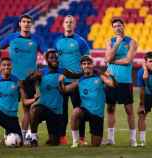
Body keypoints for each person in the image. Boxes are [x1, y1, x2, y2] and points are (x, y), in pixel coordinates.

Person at [0, 14, 46, 144]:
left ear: (31, 24)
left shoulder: (37, 39)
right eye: (24, 21)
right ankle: (7, 136)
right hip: (12, 79)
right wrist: (0, 66)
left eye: (28, 22)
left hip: (28, 80)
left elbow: (48, 54)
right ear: (20, 24)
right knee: (9, 109)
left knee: (28, 110)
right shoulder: (11, 38)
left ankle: (24, 137)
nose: (26, 24)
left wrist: (40, 71)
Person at [66, 55, 117, 148]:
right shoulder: (79, 80)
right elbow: (65, 89)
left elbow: (112, 84)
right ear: (81, 66)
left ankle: (99, 139)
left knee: (95, 144)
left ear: (92, 65)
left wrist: (112, 77)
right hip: (84, 111)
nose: (86, 66)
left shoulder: (100, 77)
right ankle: (75, 141)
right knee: (75, 111)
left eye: (88, 63)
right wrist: (60, 81)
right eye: (84, 64)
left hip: (97, 115)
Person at [54, 15, 90, 144]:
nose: (68, 24)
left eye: (71, 22)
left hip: (77, 82)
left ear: (74, 25)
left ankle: (81, 138)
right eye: (66, 22)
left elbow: (87, 60)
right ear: (63, 24)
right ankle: (62, 136)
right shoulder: (57, 41)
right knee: (62, 111)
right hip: (62, 82)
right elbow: (54, 60)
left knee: (79, 110)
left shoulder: (80, 41)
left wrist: (82, 77)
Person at [28, 49, 75, 147]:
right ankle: (33, 138)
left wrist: (93, 72)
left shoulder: (64, 71)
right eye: (51, 57)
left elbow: (78, 76)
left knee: (54, 142)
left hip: (56, 113)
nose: (54, 59)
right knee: (34, 110)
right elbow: (27, 81)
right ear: (46, 60)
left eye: (56, 57)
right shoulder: (41, 73)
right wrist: (34, 85)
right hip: (44, 108)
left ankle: (51, 136)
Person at [104, 17, 138, 146]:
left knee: (129, 110)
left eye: (119, 25)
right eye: (115, 26)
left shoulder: (131, 42)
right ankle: (111, 139)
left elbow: (127, 60)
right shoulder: (110, 41)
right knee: (110, 108)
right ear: (112, 29)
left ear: (124, 26)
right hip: (110, 80)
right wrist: (117, 43)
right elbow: (108, 57)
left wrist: (112, 61)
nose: (117, 28)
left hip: (125, 80)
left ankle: (133, 139)